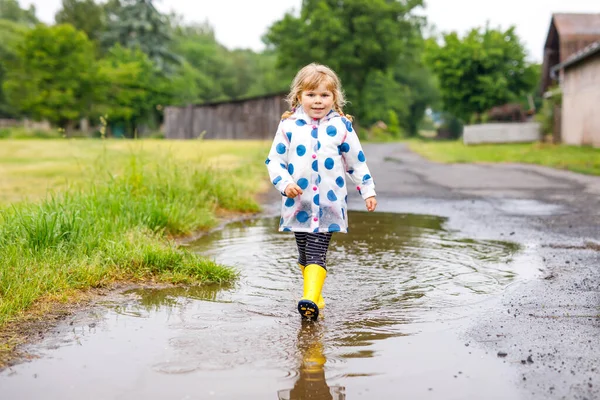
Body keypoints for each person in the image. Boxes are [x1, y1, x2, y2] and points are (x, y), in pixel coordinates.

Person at [265, 63, 377, 320]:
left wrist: (367, 191)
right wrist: (285, 184)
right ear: (299, 96)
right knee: (304, 252)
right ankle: (315, 295)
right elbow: (275, 161)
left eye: (324, 95)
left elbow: (356, 162)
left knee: (317, 250)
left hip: (329, 204)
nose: (318, 101)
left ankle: (308, 299)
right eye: (311, 95)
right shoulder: (289, 126)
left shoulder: (341, 127)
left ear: (335, 97)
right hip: (298, 203)